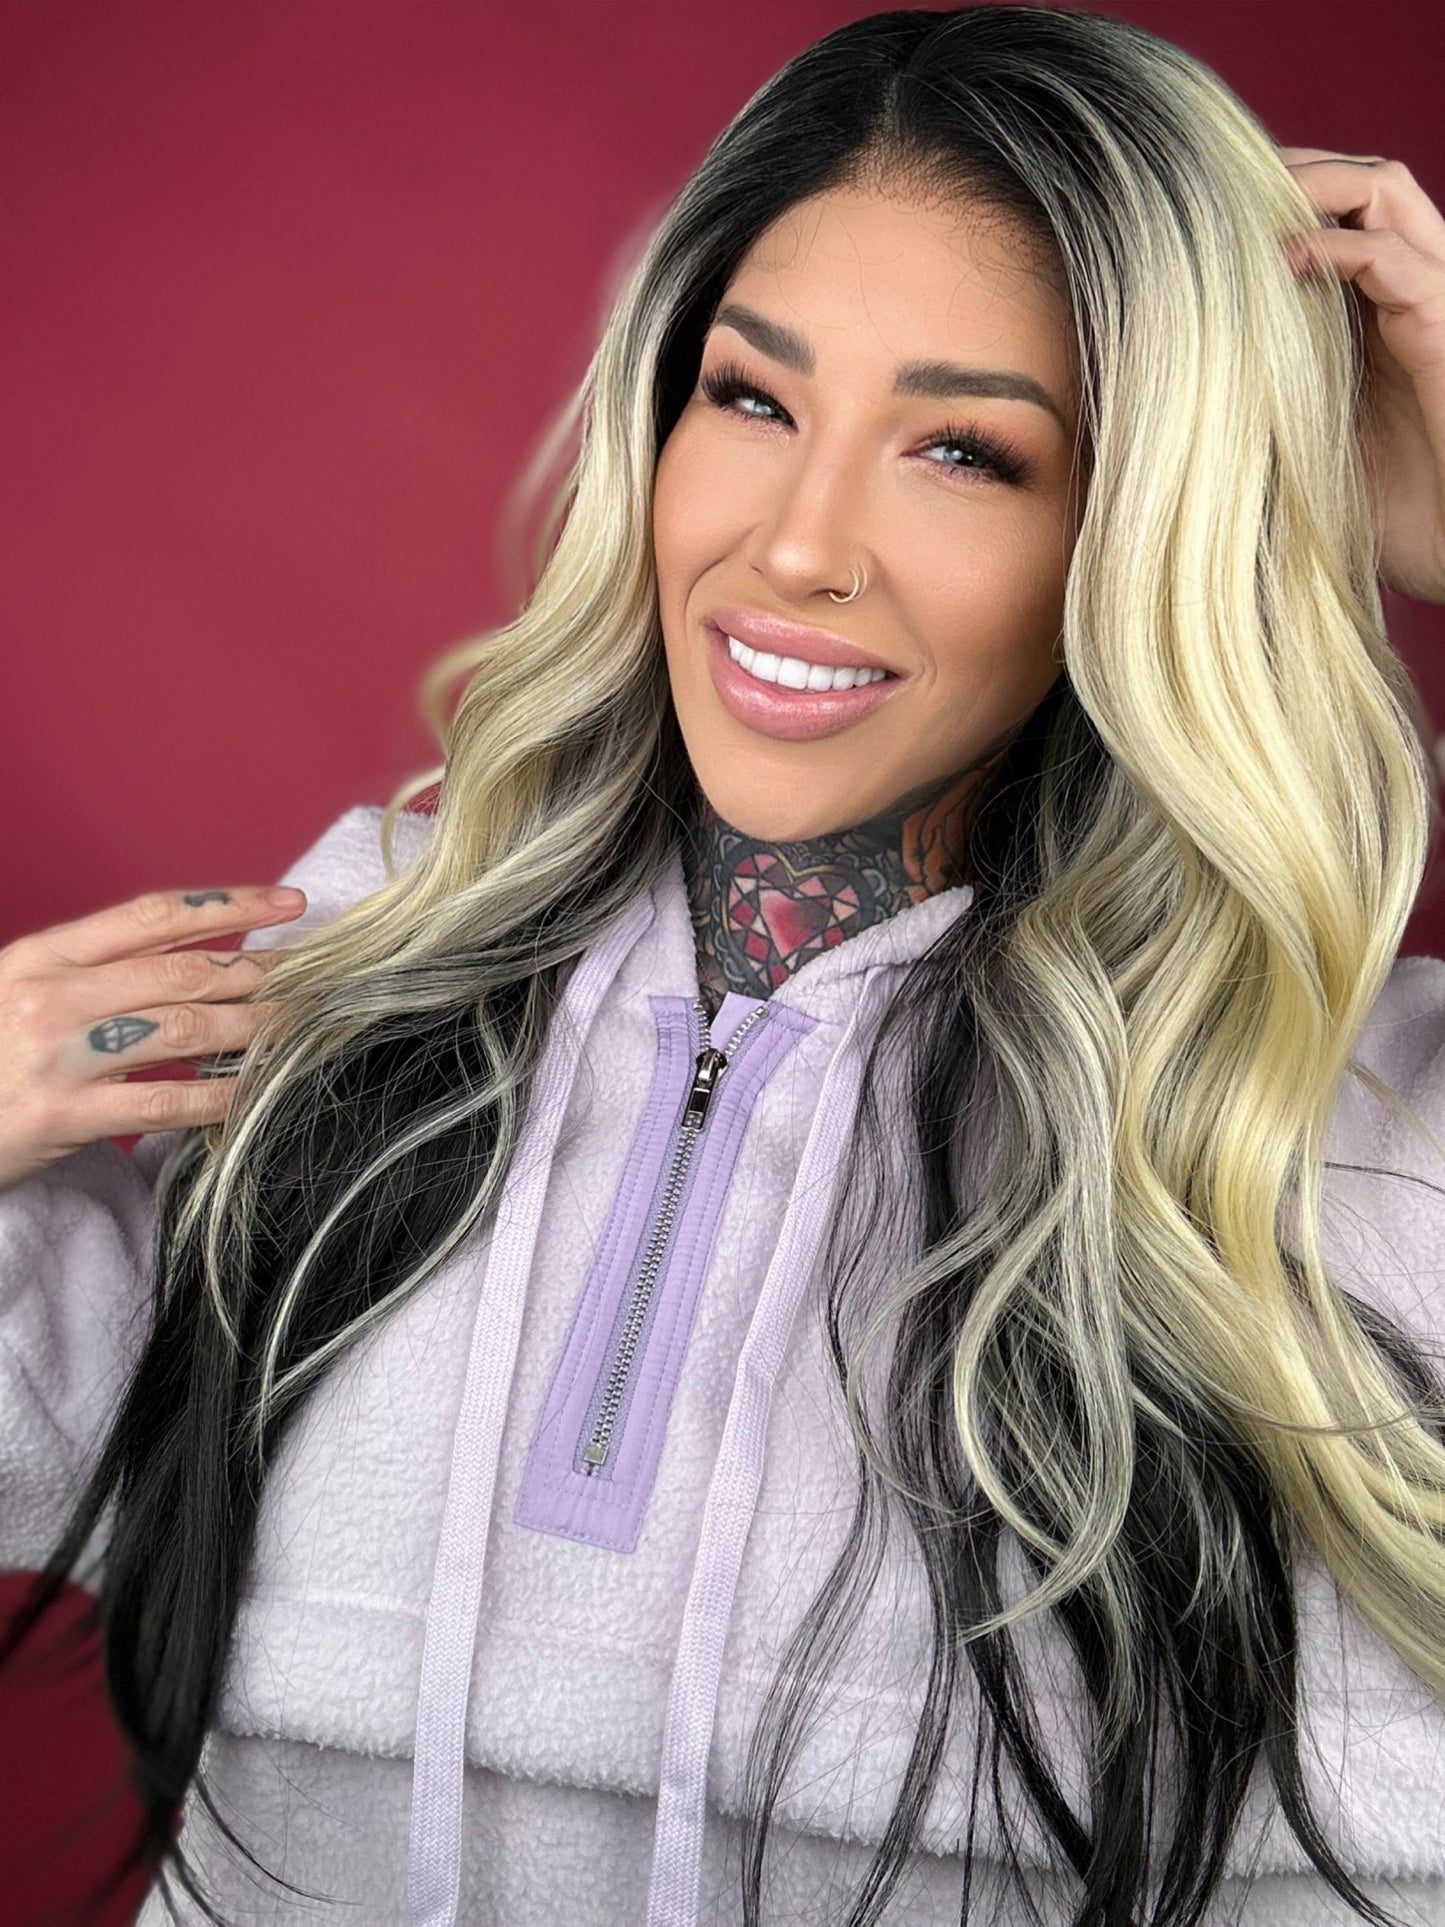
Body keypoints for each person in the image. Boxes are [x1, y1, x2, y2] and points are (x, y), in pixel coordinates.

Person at [3, 5, 1445, 1922]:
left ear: (1146, 530)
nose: (796, 546)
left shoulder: (1354, 1141)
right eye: (751, 400)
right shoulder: (349, 974)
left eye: (965, 451)